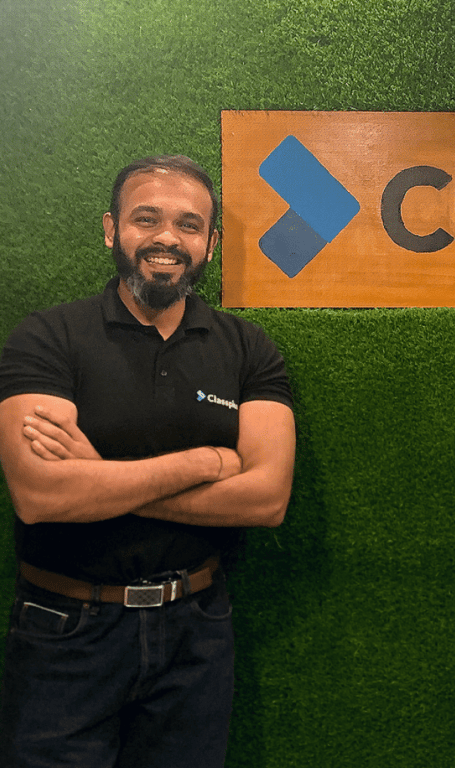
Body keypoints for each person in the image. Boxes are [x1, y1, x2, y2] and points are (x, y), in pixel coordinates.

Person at [0, 155, 295, 767]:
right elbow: (41, 495)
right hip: (65, 630)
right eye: (147, 219)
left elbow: (267, 499)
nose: (168, 238)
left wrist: (99, 477)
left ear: (210, 243)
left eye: (189, 225)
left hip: (197, 629)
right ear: (112, 230)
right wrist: (206, 462)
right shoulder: (48, 337)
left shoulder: (247, 348)